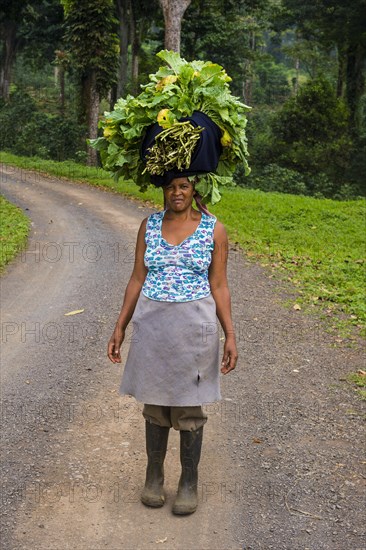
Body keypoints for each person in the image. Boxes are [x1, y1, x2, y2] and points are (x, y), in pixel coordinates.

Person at [107, 174, 238, 515]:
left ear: (196, 189)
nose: (176, 193)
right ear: (162, 190)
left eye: (184, 186)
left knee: (189, 407)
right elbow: (137, 277)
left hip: (195, 327)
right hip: (153, 325)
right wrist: (119, 326)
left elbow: (220, 285)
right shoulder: (148, 226)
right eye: (170, 187)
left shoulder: (214, 230)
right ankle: (154, 476)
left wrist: (230, 335)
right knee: (155, 403)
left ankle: (188, 482)